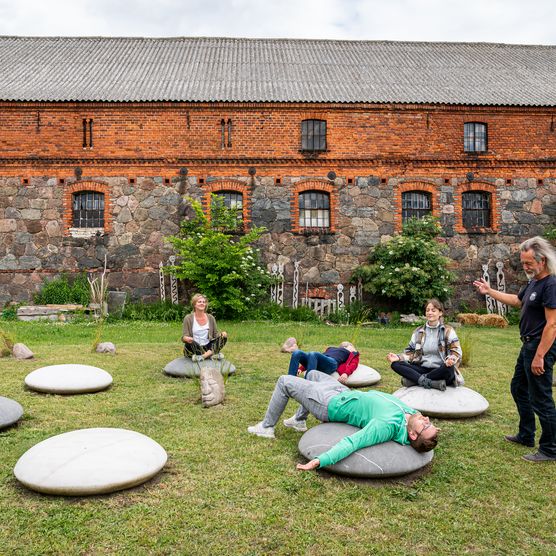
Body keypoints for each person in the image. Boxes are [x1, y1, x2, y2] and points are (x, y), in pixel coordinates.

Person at [247, 370, 438, 471]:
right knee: (313, 373)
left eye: (426, 425)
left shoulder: (386, 426)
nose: (427, 419)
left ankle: (266, 427)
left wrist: (318, 461)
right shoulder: (411, 415)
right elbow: (426, 438)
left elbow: (354, 442)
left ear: (412, 434)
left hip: (329, 404)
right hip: (345, 393)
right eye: (430, 423)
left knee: (284, 381)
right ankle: (299, 419)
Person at [473, 236, 556, 462]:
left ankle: (550, 449)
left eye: (529, 263)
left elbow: (553, 324)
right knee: (519, 387)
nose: (525, 267)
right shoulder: (533, 282)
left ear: (542, 261)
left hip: (540, 346)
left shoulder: (550, 284)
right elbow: (517, 301)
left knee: (541, 398)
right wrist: (489, 291)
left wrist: (540, 355)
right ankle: (526, 434)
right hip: (528, 344)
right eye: (523, 262)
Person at [387, 299, 462, 391]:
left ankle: (416, 379)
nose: (430, 313)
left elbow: (456, 351)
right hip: (422, 368)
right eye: (427, 310)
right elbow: (410, 352)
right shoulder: (418, 331)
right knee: (395, 365)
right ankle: (430, 382)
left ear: (440, 313)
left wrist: (451, 360)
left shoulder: (448, 330)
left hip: (440, 369)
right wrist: (398, 358)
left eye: (433, 310)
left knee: (449, 369)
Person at [181, 294, 227, 361]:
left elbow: (215, 335)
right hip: (195, 346)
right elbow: (184, 337)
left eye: (203, 302)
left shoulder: (211, 318)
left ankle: (203, 356)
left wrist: (222, 334)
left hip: (207, 347)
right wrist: (185, 338)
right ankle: (211, 355)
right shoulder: (188, 318)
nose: (202, 303)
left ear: (205, 305)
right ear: (194, 304)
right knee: (190, 342)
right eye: (199, 302)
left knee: (223, 338)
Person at [287, 341, 359, 384]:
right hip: (322, 360)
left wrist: (346, 373)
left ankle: (308, 384)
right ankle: (290, 382)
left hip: (332, 363)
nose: (345, 345)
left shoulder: (352, 354)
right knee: (297, 353)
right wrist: (301, 369)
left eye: (348, 345)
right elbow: (315, 358)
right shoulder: (331, 348)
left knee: (313, 353)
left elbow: (353, 364)